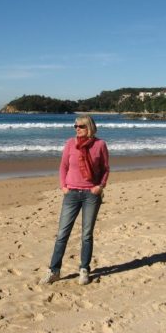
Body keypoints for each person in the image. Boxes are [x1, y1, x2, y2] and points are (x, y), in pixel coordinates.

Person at [40, 115, 110, 285]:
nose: (77, 129)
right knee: (62, 234)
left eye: (81, 126)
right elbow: (63, 166)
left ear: (90, 128)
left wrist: (100, 186)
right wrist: (63, 186)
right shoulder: (70, 143)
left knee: (86, 235)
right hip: (71, 194)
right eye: (75, 126)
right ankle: (54, 271)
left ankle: (84, 269)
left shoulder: (100, 145)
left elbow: (105, 169)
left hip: (91, 195)